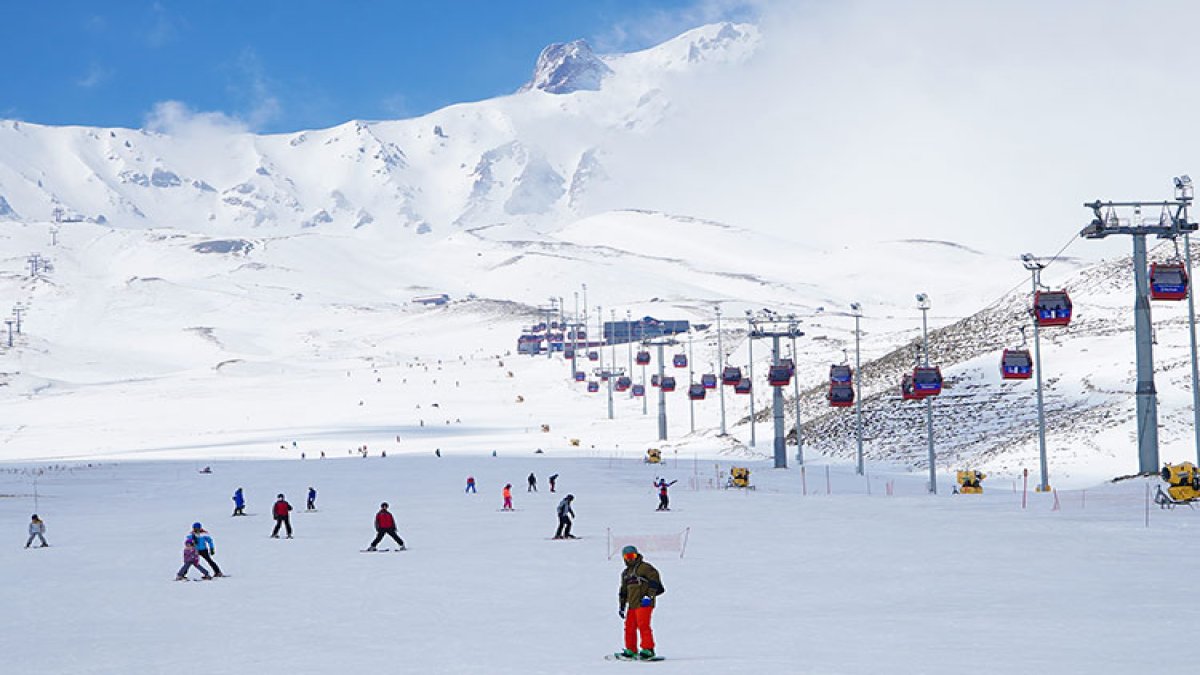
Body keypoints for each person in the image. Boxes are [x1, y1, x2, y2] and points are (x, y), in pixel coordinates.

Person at [615, 545, 665, 660]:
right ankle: (631, 649)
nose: (630, 559)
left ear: (637, 555)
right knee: (629, 627)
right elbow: (623, 591)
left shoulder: (645, 567)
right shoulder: (625, 573)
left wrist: (649, 596)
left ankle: (648, 649)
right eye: (627, 556)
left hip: (644, 602)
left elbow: (654, 580)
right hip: (632, 604)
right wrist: (622, 606)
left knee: (643, 625)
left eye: (632, 556)